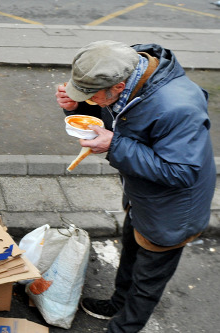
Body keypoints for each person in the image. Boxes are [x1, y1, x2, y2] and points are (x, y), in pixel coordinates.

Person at [55, 40, 215, 332]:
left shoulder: (177, 107)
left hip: (172, 212)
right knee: (130, 252)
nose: (90, 100)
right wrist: (77, 106)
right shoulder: (127, 70)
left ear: (117, 87)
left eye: (92, 95)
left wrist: (114, 144)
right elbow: (118, 119)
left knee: (147, 281)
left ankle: (124, 327)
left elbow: (182, 172)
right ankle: (118, 303)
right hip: (143, 196)